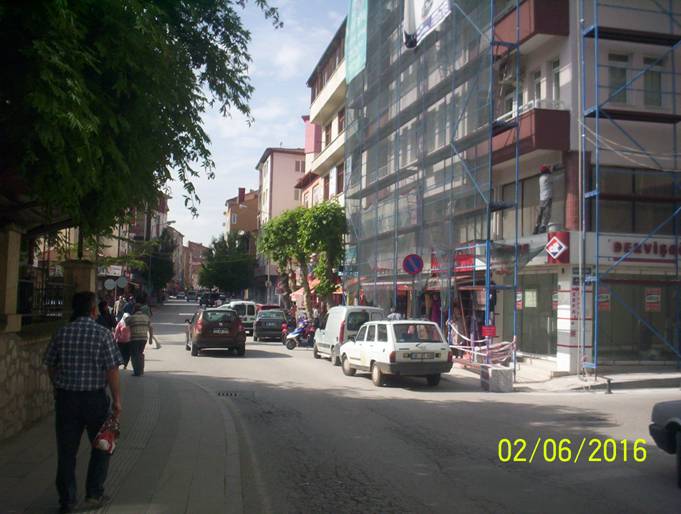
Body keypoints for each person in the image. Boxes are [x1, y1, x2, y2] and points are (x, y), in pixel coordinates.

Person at [43, 291, 123, 513]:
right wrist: (117, 401)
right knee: (102, 446)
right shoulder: (103, 334)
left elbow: (50, 363)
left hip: (66, 399)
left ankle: (67, 500)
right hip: (95, 400)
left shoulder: (62, 332)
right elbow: (112, 370)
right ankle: (94, 494)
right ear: (93, 310)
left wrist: (57, 385)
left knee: (66, 452)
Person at [124, 304, 152, 376]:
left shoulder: (131, 317)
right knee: (140, 354)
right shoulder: (146, 317)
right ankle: (141, 370)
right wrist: (150, 338)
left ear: (134, 310)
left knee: (134, 355)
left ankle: (137, 372)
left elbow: (126, 324)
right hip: (144, 338)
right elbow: (151, 328)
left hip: (134, 338)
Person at [533, 164, 553, 234]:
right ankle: (543, 227)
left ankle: (536, 227)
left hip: (542, 198)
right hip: (547, 197)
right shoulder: (548, 177)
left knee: (540, 213)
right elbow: (554, 179)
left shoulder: (541, 178)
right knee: (547, 213)